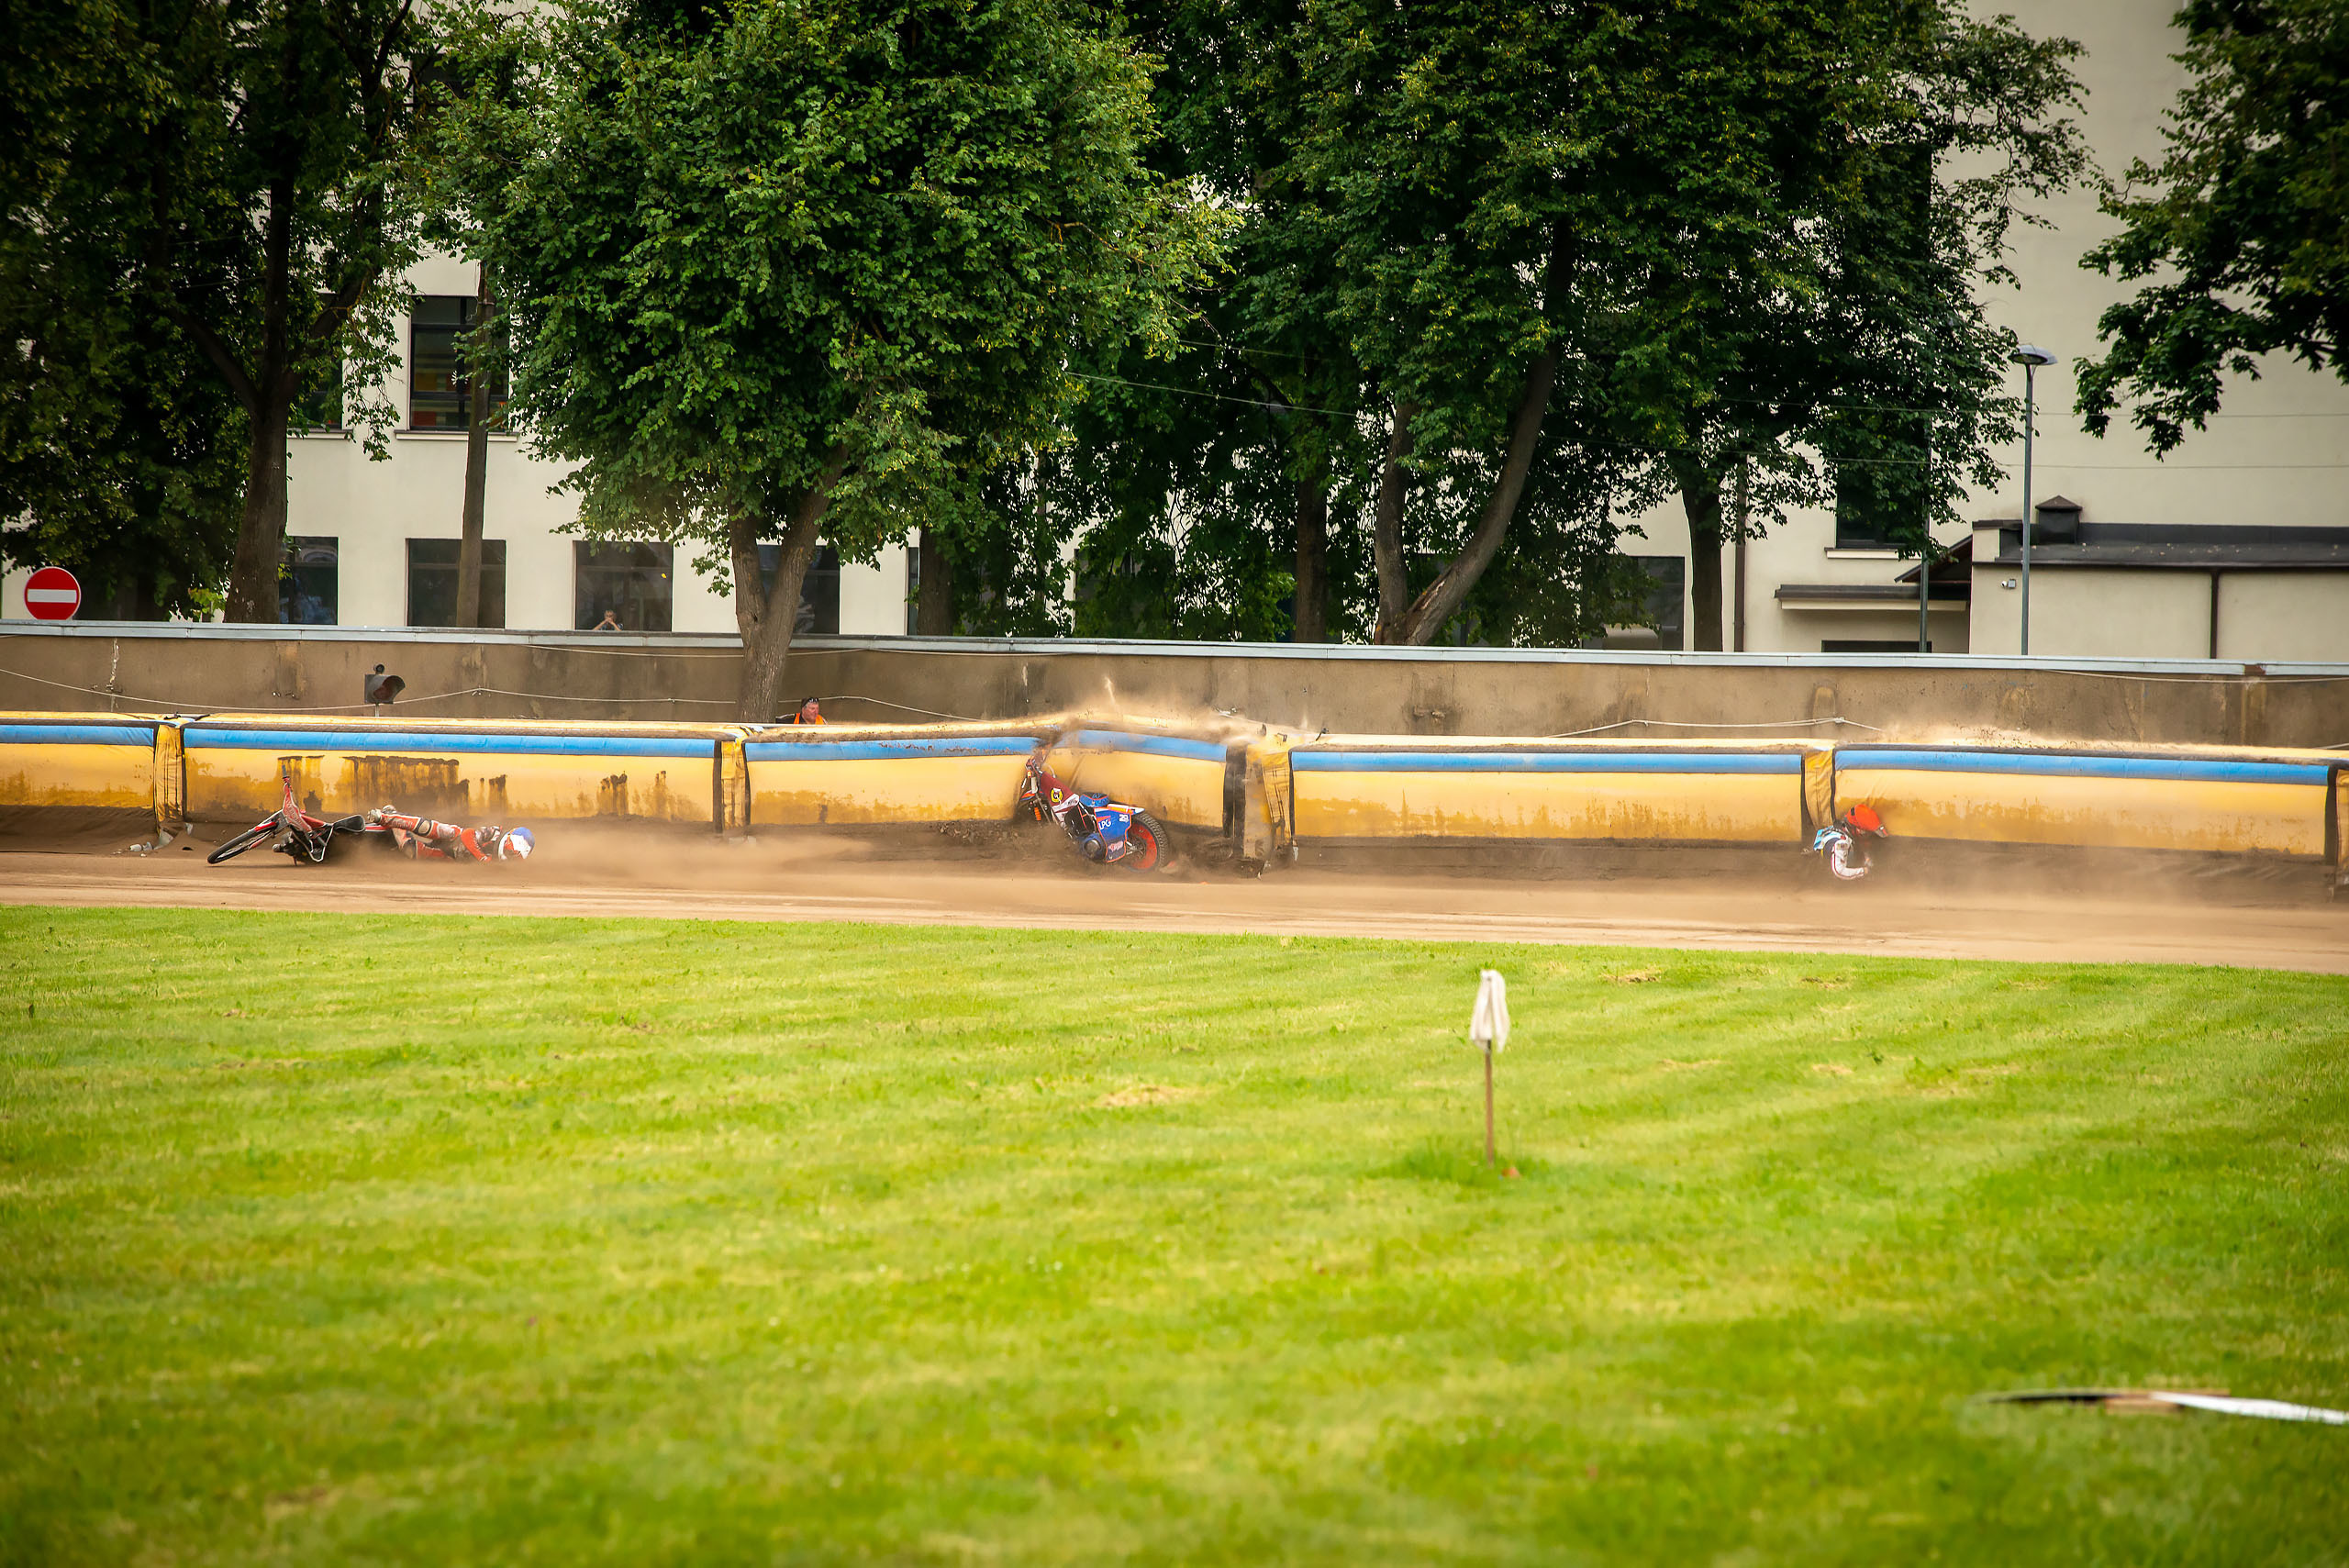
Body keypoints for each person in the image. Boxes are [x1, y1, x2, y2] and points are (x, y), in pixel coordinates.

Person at [365, 806, 535, 863]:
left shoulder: (502, 864)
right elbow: (468, 834)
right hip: (455, 838)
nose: (510, 858)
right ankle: (385, 817)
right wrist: (482, 858)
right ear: (509, 841)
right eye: (512, 853)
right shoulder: (494, 833)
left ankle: (392, 816)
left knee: (409, 851)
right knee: (428, 827)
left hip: (452, 857)